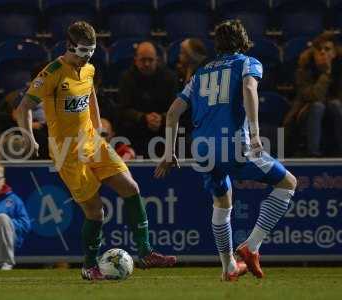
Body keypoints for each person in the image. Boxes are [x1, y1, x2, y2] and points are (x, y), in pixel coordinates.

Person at [17, 21, 176, 280]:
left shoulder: (89, 69)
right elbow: (23, 107)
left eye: (90, 51)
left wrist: (100, 129)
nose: (86, 57)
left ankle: (146, 252)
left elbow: (91, 99)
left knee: (132, 188)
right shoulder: (52, 73)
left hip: (93, 142)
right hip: (67, 152)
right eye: (82, 51)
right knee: (96, 211)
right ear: (70, 46)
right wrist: (29, 136)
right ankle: (89, 267)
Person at [155, 19, 297, 281]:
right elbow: (249, 88)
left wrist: (168, 152)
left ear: (217, 45)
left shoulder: (200, 73)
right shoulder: (247, 62)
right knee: (288, 183)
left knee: (222, 202)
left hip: (201, 149)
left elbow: (173, 112)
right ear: (244, 42)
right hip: (233, 143)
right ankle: (251, 246)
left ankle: (228, 266)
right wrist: (255, 133)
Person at [283, 32, 342, 157]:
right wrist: (326, 74)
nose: (322, 52)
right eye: (319, 49)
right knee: (318, 106)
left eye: (327, 49)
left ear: (335, 52)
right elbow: (313, 97)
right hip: (306, 112)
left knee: (335, 104)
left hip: (335, 113)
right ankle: (313, 154)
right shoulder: (304, 69)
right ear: (313, 53)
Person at [118, 41, 178, 158]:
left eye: (150, 60)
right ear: (135, 60)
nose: (146, 64)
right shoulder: (126, 78)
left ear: (157, 60)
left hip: (164, 128)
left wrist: (162, 118)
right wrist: (143, 118)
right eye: (143, 60)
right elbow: (123, 109)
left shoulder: (170, 78)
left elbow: (175, 109)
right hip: (136, 129)